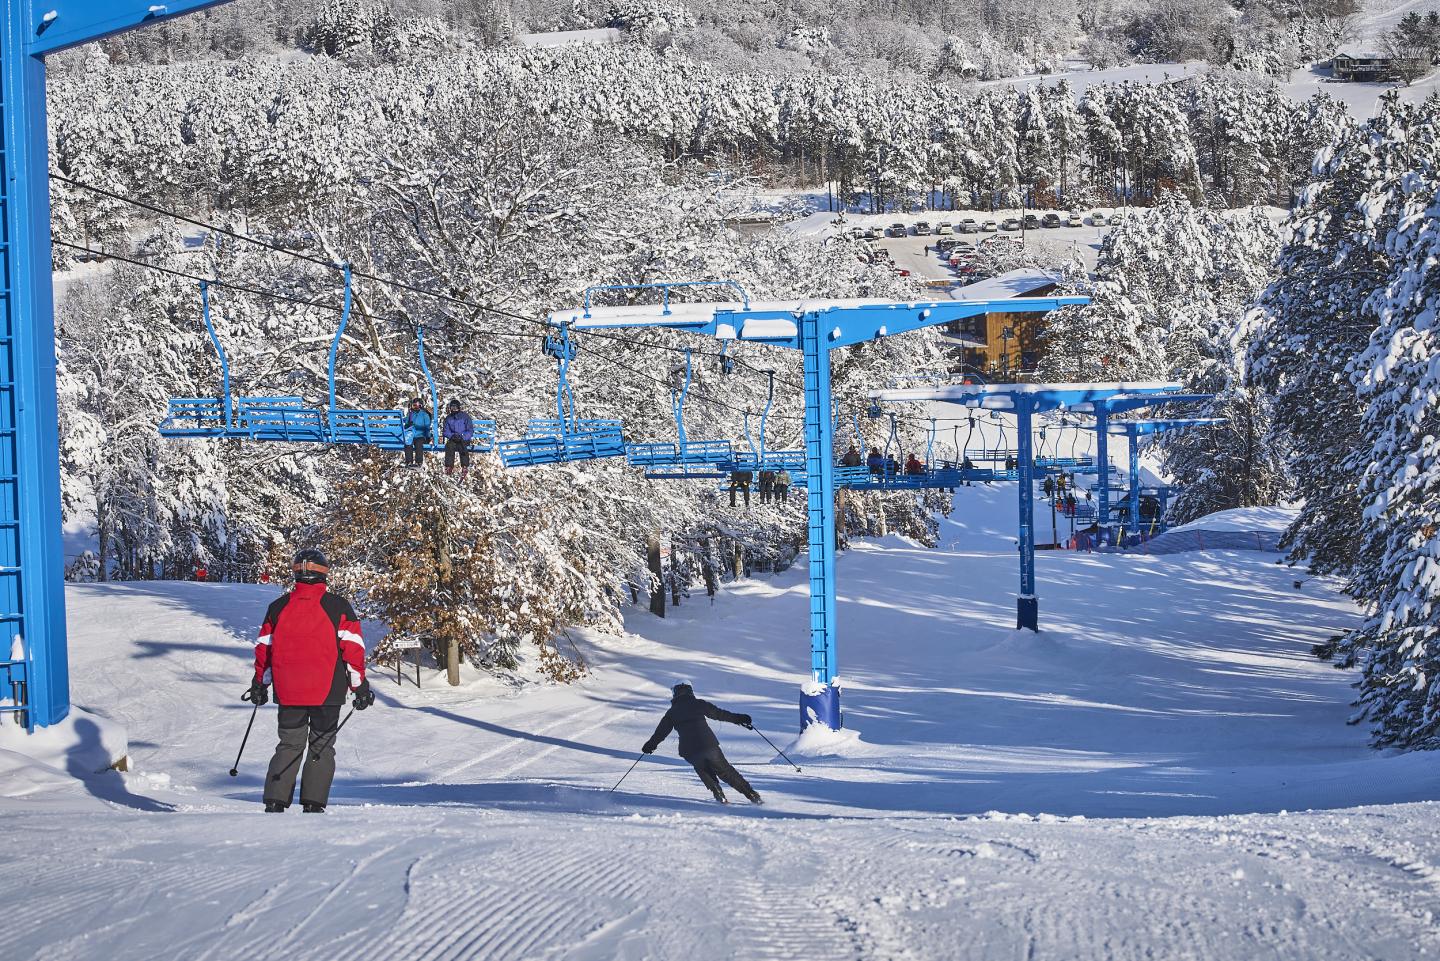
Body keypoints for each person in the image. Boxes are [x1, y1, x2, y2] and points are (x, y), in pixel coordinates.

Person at [248, 549, 373, 814]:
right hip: (327, 691)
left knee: (289, 743)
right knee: (322, 745)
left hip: (289, 691)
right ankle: (313, 805)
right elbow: (353, 650)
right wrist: (359, 687)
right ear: (324, 574)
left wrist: (260, 683)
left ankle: (275, 801)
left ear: (296, 573)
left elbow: (264, 650)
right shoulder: (338, 606)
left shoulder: (278, 607)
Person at [642, 682, 762, 805]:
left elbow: (660, 733)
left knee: (702, 768)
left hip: (689, 751)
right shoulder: (699, 704)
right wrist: (739, 718)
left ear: (675, 694)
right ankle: (751, 795)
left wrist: (650, 745)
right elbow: (720, 714)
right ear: (690, 691)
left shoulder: (671, 713)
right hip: (709, 745)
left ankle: (718, 793)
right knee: (726, 771)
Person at [442, 400, 474, 479]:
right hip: (453, 438)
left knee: (462, 447)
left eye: (455, 407)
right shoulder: (449, 418)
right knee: (449, 446)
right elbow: (446, 431)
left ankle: (464, 466)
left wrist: (463, 436)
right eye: (452, 408)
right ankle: (449, 466)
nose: (454, 409)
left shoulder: (465, 417)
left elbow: (470, 430)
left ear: (459, 408)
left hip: (463, 438)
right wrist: (451, 436)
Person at [402, 397, 432, 468]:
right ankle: (409, 462)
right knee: (408, 443)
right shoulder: (410, 414)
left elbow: (427, 427)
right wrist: (408, 424)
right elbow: (406, 425)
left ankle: (419, 462)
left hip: (421, 436)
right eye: (413, 405)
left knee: (418, 444)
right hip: (411, 435)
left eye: (417, 405)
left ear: (421, 405)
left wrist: (428, 437)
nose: (415, 407)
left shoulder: (424, 415)